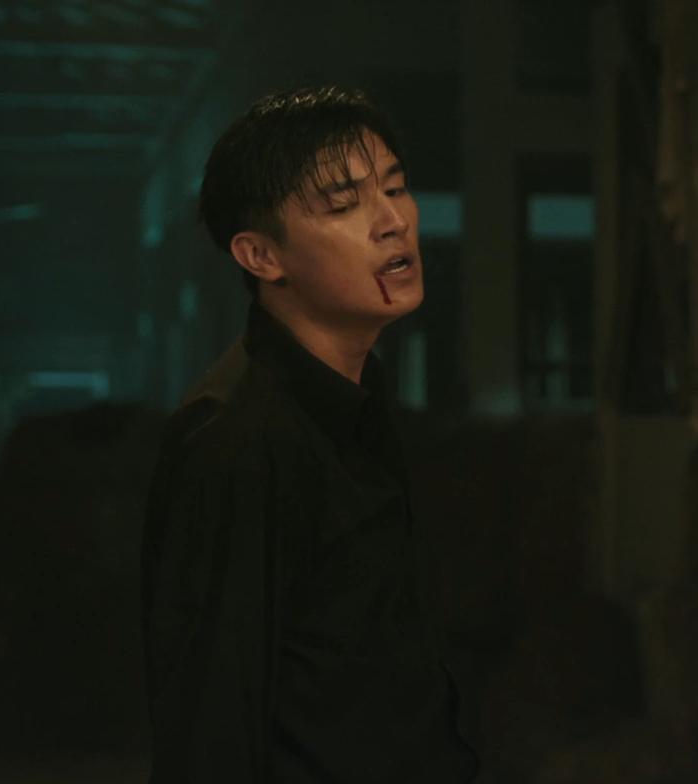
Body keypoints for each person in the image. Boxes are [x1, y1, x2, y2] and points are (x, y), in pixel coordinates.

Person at [142, 85, 478, 783]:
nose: (394, 222)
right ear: (262, 256)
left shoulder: (357, 399)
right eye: (344, 204)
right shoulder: (237, 437)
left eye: (396, 189)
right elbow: (210, 717)